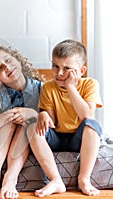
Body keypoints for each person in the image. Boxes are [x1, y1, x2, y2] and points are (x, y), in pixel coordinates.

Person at [30, 39, 102, 197]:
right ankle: (55, 180)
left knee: (92, 125)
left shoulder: (90, 84)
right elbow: (52, 122)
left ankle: (84, 179)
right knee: (32, 128)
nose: (59, 73)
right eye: (55, 66)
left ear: (81, 71)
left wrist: (70, 87)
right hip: (57, 138)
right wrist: (42, 114)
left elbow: (86, 116)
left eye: (67, 68)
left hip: (79, 138)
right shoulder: (48, 87)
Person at [0, 44, 45, 199]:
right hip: (1, 140)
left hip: (30, 137)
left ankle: (10, 179)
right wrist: (8, 115)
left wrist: (32, 113)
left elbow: (54, 123)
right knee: (9, 121)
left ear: (18, 59)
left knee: (26, 122)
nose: (7, 67)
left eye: (8, 60)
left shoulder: (42, 89)